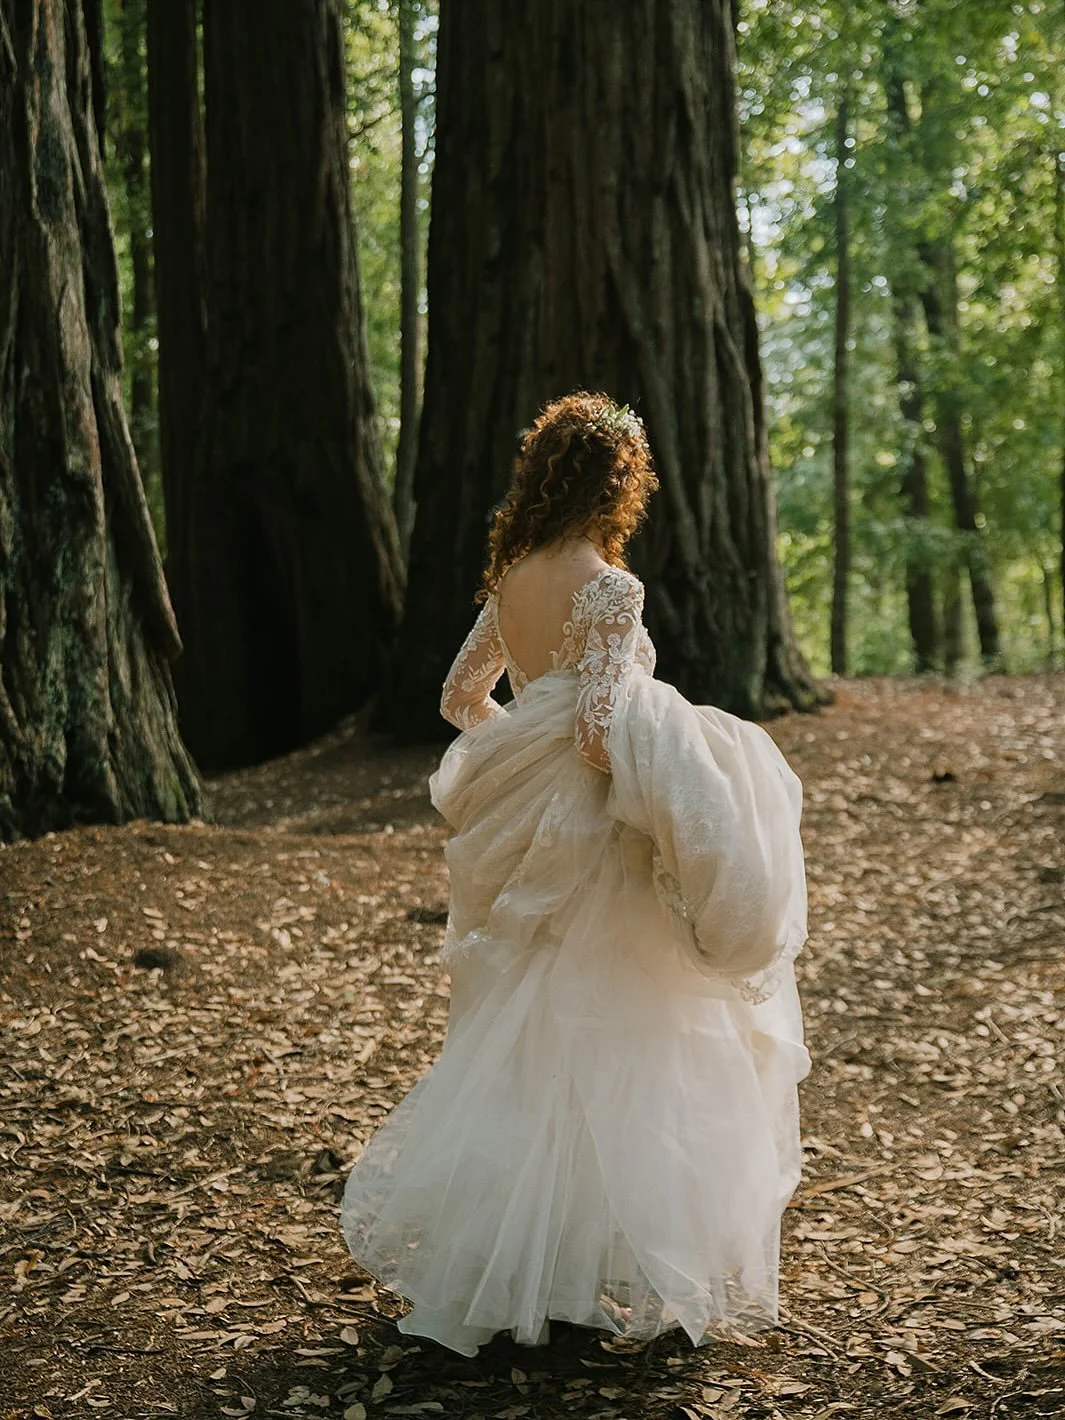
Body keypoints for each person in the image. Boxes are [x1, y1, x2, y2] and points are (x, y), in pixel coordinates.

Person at [341, 391, 810, 1358]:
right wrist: (676, 744)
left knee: (531, 1029)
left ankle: (525, 1271)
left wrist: (521, 752)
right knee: (627, 1024)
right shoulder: (610, 588)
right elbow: (601, 732)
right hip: (594, 830)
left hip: (523, 816)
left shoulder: (511, 575)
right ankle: (619, 1267)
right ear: (618, 484)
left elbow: (461, 696)